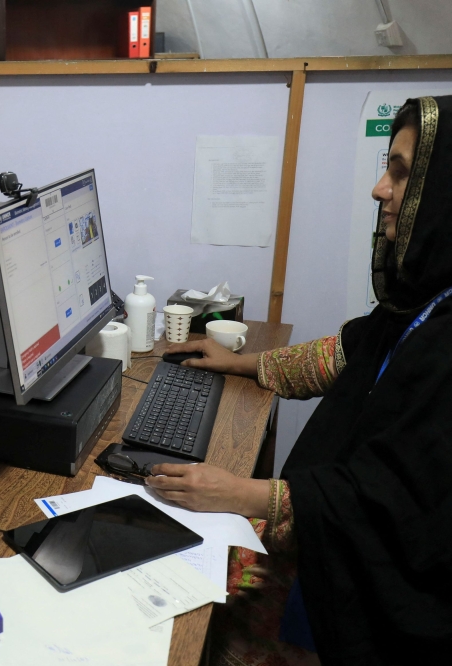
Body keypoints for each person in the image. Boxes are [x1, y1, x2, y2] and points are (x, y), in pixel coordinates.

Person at [158, 96, 452, 664]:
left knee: (195, 618)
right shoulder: (422, 301)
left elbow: (388, 507)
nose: (379, 190)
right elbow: (344, 354)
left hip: (369, 601)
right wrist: (239, 361)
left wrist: (240, 493)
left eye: (400, 173)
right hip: (331, 545)